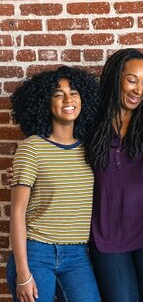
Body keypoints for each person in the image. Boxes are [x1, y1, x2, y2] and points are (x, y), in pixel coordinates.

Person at [85, 48, 143, 302]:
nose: (139, 90)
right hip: (106, 235)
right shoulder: (93, 118)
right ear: (116, 78)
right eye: (132, 80)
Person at [7, 66, 100, 302]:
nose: (68, 99)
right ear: (44, 103)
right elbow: (17, 212)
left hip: (77, 254)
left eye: (74, 92)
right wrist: (23, 273)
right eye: (58, 94)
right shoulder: (32, 148)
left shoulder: (91, 150)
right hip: (36, 252)